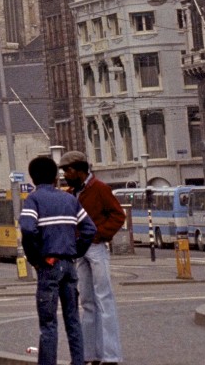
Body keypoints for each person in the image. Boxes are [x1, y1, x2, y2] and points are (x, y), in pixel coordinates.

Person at [19, 155, 96, 365]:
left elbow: (27, 227)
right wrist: (76, 250)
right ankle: (78, 362)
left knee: (48, 323)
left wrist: (35, 257)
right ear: (55, 177)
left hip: (48, 265)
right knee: (73, 320)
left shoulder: (33, 200)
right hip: (69, 265)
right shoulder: (70, 199)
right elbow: (90, 229)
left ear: (33, 179)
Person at [61, 151, 125, 365]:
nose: (65, 175)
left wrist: (99, 235)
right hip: (82, 249)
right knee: (88, 301)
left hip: (95, 247)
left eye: (68, 171)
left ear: (79, 170)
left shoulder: (99, 189)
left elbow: (118, 215)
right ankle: (90, 354)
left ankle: (110, 355)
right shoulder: (72, 192)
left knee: (104, 299)